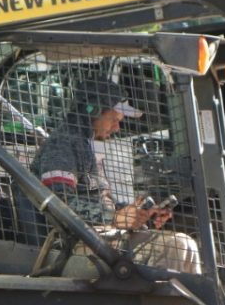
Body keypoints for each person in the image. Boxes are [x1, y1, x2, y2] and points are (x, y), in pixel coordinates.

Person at [30, 76, 200, 274]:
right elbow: (58, 203)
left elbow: (98, 201)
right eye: (113, 119)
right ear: (92, 111)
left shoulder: (87, 145)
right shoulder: (62, 145)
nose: (117, 128)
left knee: (186, 245)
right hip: (71, 245)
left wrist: (139, 214)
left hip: (98, 237)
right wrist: (115, 217)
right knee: (176, 246)